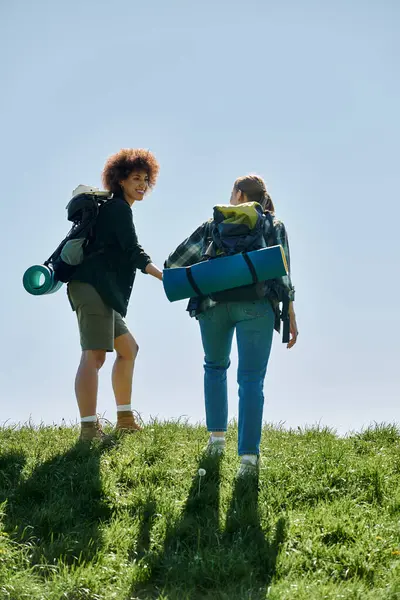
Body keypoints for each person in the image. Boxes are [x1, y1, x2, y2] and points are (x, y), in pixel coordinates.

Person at [165, 174, 298, 476]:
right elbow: (284, 272)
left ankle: (216, 441)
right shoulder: (273, 225)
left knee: (214, 367)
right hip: (257, 306)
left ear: (237, 194)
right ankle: (249, 461)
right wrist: (290, 312)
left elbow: (174, 262)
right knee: (251, 380)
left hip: (213, 307)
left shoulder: (213, 225)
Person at [68, 149, 163, 442]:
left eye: (146, 180)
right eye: (136, 178)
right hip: (92, 286)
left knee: (128, 349)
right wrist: (165, 276)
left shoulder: (115, 208)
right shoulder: (118, 208)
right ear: (120, 180)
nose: (142, 185)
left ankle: (124, 419)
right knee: (94, 356)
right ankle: (88, 430)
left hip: (101, 290)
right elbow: (133, 251)